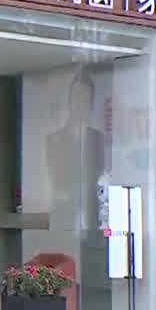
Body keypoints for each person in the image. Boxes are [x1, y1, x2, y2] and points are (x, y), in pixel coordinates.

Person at [45, 69, 110, 233]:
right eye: (77, 97)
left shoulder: (98, 139)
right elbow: (59, 180)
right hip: (63, 219)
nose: (81, 103)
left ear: (91, 105)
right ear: (70, 101)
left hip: (93, 218)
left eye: (86, 99)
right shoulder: (54, 140)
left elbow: (99, 178)